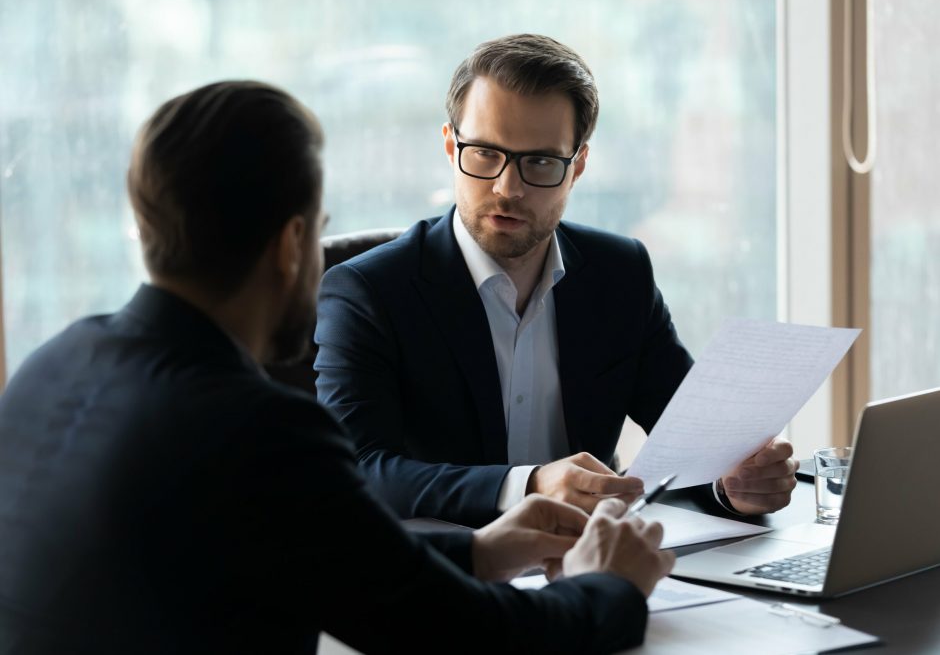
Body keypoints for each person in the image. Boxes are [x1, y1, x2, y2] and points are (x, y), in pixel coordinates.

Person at [0, 81, 675, 654]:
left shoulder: (50, 365)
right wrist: (609, 584)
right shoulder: (255, 427)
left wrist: (478, 553)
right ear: (294, 243)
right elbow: (473, 637)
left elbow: (324, 558)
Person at [315, 33, 797, 528]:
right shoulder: (368, 292)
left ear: (578, 166)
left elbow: (695, 442)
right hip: (450, 577)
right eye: (483, 153)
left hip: (594, 566)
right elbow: (358, 470)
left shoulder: (620, 273)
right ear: (449, 144)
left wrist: (733, 484)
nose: (508, 187)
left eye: (540, 162)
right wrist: (528, 486)